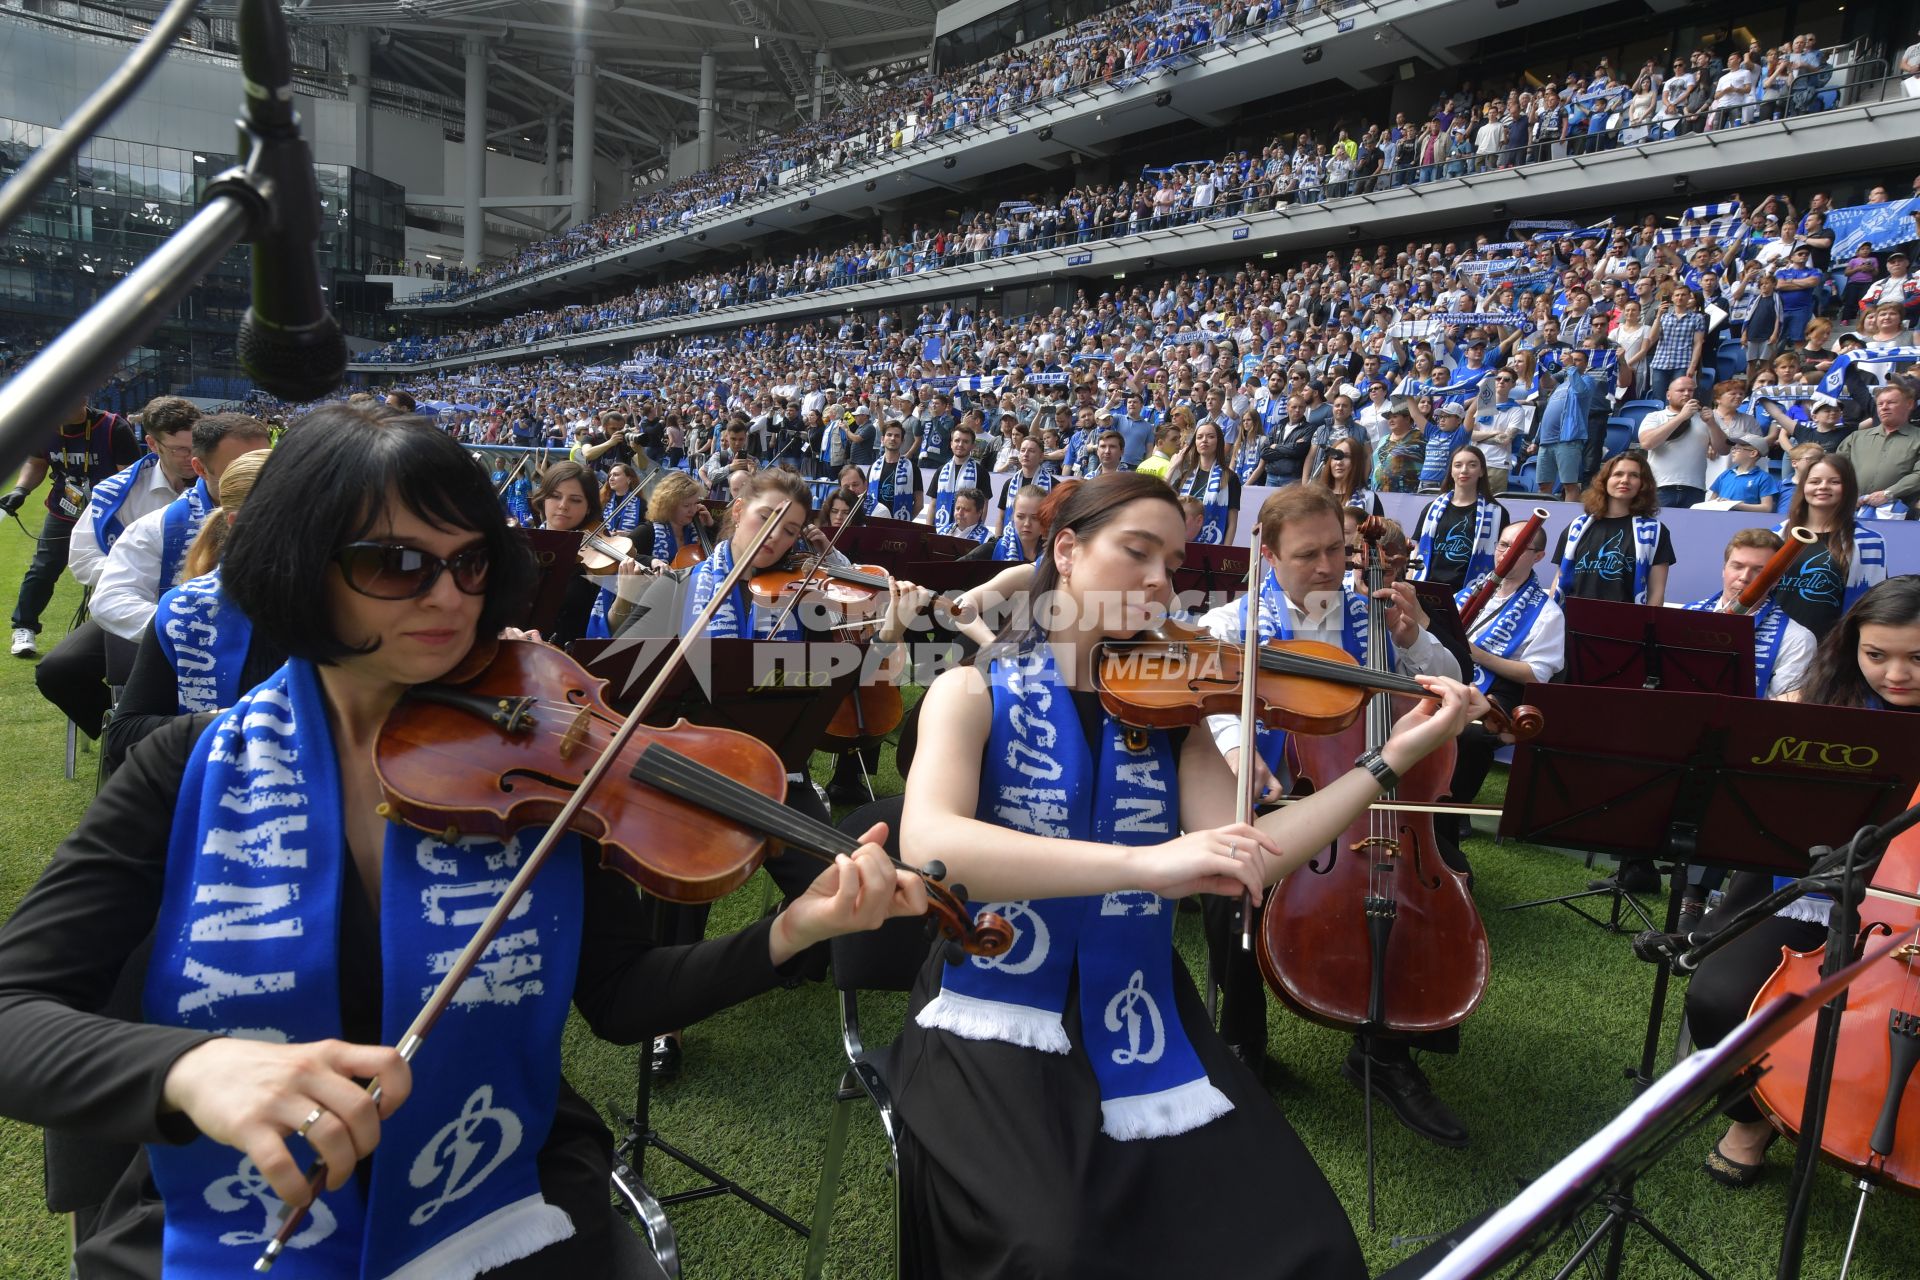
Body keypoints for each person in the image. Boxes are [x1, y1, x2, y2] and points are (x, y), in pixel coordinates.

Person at [0, 408, 928, 1279]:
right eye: (398, 563)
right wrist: (190, 1069)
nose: (449, 596)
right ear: (300, 564)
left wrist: (788, 935)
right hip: (226, 1195)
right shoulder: (185, 766)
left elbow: (621, 995)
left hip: (495, 1184)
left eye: (472, 563)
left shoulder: (532, 772)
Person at [892, 473, 1485, 1277]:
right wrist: (1146, 862)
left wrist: (1392, 757)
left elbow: (1257, 853)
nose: (1158, 585)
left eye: (1170, 565)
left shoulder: (1171, 715)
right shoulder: (970, 690)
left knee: (1306, 1243)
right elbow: (930, 842)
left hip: (1137, 994)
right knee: (1055, 1249)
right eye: (1136, 553)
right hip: (993, 1006)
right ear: (1066, 550)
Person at [1194, 484, 1472, 1144]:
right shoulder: (1232, 624)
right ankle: (1243, 1042)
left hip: (1370, 804)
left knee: (1448, 875)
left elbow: (1449, 685)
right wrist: (1237, 753)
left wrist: (1417, 641)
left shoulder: (1376, 613)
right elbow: (1209, 701)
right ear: (1267, 554)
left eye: (1338, 551)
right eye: (1309, 554)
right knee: (1227, 885)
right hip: (1277, 801)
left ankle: (1386, 1052)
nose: (1328, 567)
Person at [1683, 576, 1920, 1188]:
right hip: (1808, 882)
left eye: (1918, 658)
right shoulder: (1824, 701)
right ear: (1853, 649)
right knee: (1716, 997)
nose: (1896, 674)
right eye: (1877, 656)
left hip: (1907, 902)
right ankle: (1755, 1113)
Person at [104, 450, 280, 773]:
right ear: (240, 523)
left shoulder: (350, 605)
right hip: (214, 792)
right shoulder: (189, 610)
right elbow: (124, 734)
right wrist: (239, 723)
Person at [1439, 517, 1565, 874]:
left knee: (1471, 736)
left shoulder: (1547, 611)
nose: (1507, 553)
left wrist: (1480, 656)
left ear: (1538, 556)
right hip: (1453, 680)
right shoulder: (1470, 593)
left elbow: (1537, 673)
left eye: (1519, 547)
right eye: (1503, 545)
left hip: (1501, 693)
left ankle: (1449, 821)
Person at [4, 399, 142, 658]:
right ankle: (24, 627)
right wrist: (21, 490)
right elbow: (36, 462)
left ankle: (115, 633)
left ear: (83, 400)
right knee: (43, 568)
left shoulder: (113, 427)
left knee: (117, 571)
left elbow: (130, 476)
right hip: (64, 510)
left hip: (108, 514)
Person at [1771, 454, 1887, 639]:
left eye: (1834, 481)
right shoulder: (1777, 535)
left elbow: (1871, 608)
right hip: (1775, 645)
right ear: (1803, 487)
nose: (1823, 486)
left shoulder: (1868, 543)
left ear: (1848, 488)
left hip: (1829, 650)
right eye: (1815, 481)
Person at [1551, 453, 1675, 606]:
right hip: (1570, 622)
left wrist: (1646, 628)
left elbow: (1657, 592)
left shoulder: (1654, 533)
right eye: (1618, 474)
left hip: (1626, 625)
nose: (1625, 480)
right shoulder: (1576, 528)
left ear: (1643, 484)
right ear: (1604, 480)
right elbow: (1558, 580)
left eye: (1634, 475)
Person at [529, 460, 609, 645]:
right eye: (555, 496)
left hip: (569, 659)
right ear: (543, 498)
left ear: (589, 507)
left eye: (575, 500)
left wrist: (653, 563)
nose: (563, 505)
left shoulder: (596, 548)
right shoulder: (518, 546)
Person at [1410, 445, 1509, 591]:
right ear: (1451, 471)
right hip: (1426, 590)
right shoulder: (1431, 509)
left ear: (1481, 471)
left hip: (1470, 595)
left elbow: (1502, 556)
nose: (1464, 470)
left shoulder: (1497, 513)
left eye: (1472, 465)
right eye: (1458, 465)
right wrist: (1409, 582)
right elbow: (1417, 550)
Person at [1637, 375, 1729, 509]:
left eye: (1691, 390)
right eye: (1681, 390)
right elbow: (1647, 443)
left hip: (1694, 488)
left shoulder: (1708, 417)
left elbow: (1724, 450)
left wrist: (1712, 425)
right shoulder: (1655, 416)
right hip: (1659, 486)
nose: (1687, 393)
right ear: (1668, 395)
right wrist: (1681, 417)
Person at [1837, 384, 1920, 516]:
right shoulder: (1856, 438)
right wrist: (1850, 493)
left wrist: (1888, 494)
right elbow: (1837, 469)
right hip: (1852, 509)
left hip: (1901, 514)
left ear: (1909, 404)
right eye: (1880, 404)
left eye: (1891, 402)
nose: (1884, 407)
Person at [1172, 420, 1241, 544]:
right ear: (1195, 443)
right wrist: (1172, 467)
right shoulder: (1185, 476)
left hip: (1213, 546)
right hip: (1180, 545)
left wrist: (1225, 552)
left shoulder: (1229, 477)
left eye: (1211, 436)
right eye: (1199, 437)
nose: (1204, 440)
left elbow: (1232, 523)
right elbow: (1161, 500)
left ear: (1218, 442)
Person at [644, 471, 716, 570]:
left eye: (695, 503)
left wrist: (711, 525)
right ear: (669, 505)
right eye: (686, 505)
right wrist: (652, 561)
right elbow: (624, 553)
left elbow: (722, 552)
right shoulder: (648, 531)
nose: (693, 510)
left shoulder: (700, 529)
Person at [919, 422, 982, 534]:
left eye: (966, 441)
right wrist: (927, 531)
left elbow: (983, 508)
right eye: (957, 440)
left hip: (967, 534)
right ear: (951, 444)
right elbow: (933, 504)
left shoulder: (980, 472)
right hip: (940, 532)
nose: (960, 444)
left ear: (973, 445)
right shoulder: (941, 470)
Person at [1704, 437, 1783, 511]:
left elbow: (1766, 507)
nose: (1733, 451)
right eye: (1733, 448)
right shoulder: (1726, 474)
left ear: (1753, 453)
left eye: (1737, 449)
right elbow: (1712, 499)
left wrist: (1736, 505)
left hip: (1746, 522)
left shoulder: (1764, 478)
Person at [866, 421, 924, 520]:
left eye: (897, 436)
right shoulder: (873, 468)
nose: (893, 438)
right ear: (882, 439)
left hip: (898, 526)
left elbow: (919, 504)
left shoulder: (913, 469)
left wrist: (905, 523)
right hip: (874, 524)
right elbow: (867, 499)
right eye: (889, 435)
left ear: (902, 441)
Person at [1311, 437, 1383, 515]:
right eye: (1335, 456)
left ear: (1357, 462)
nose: (1339, 462)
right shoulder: (1317, 496)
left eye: (1346, 456)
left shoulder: (1369, 498)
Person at [599, 463, 646, 535]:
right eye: (610, 475)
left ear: (629, 479)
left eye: (616, 475)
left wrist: (629, 535)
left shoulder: (641, 504)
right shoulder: (603, 500)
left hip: (627, 544)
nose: (611, 478)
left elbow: (644, 533)